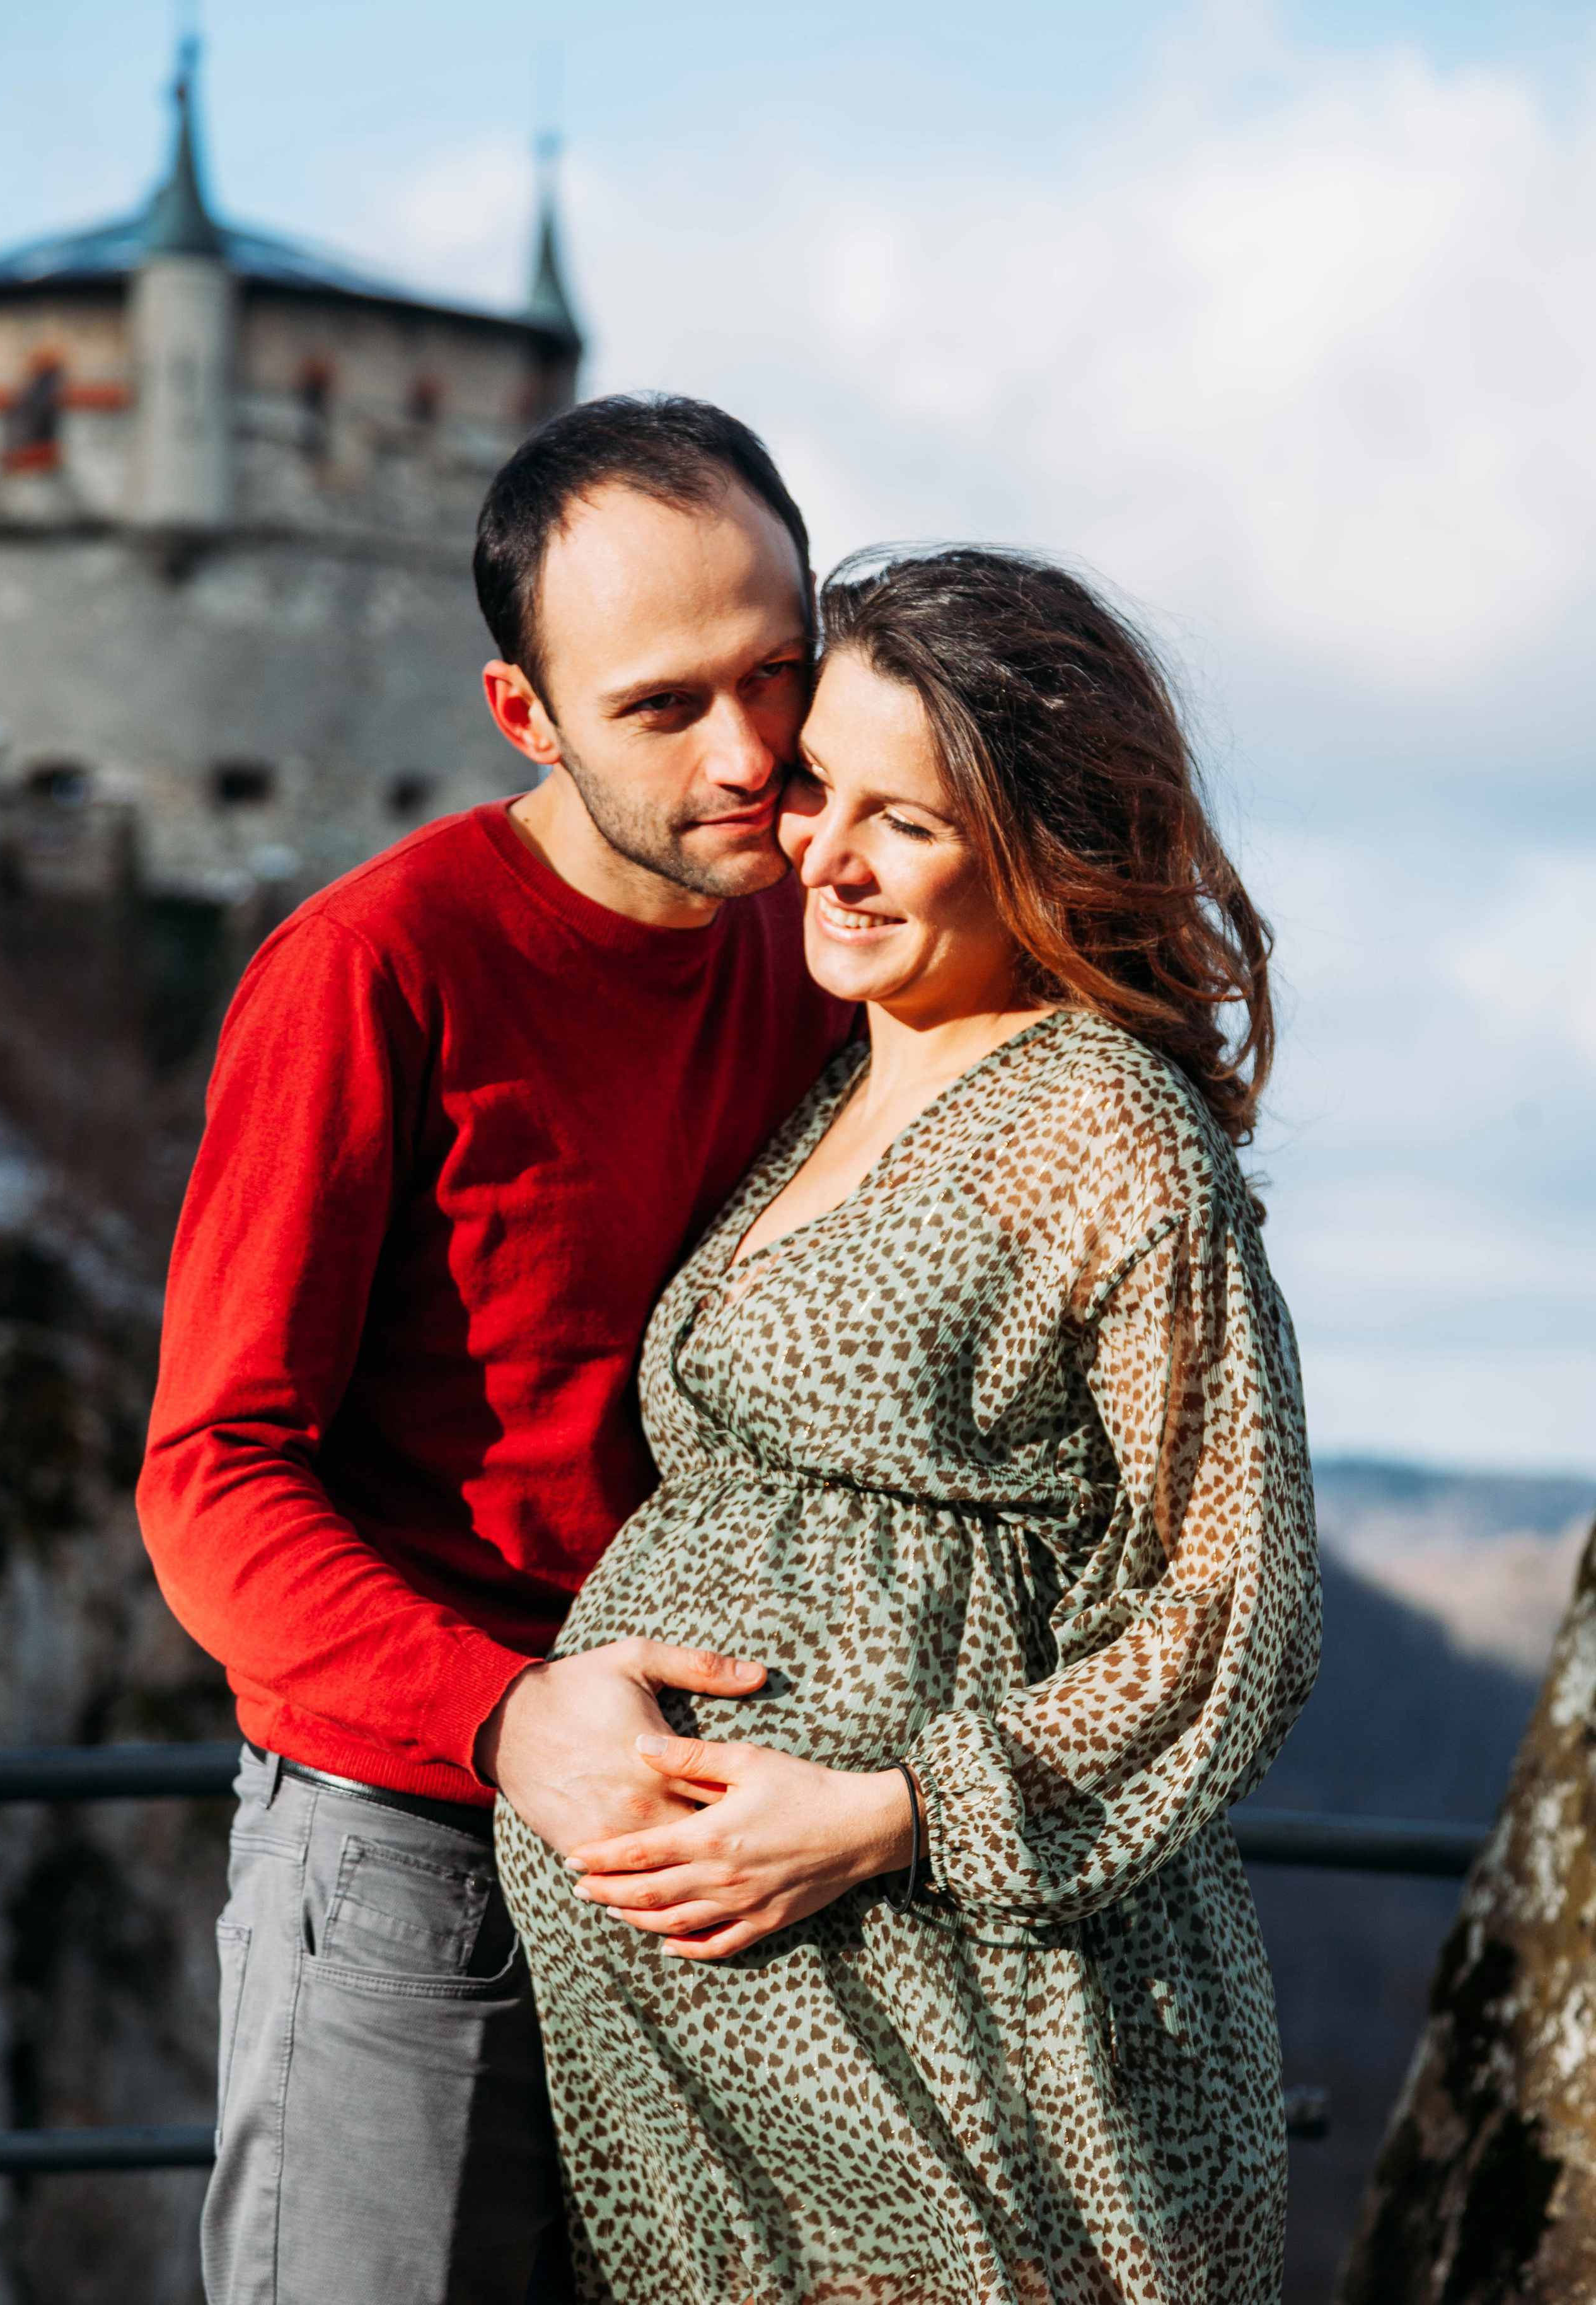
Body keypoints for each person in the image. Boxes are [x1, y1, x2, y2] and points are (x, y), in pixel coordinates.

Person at [498, 546, 1322, 2305]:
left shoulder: (1103, 1120)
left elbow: (1236, 1604)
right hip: (716, 2100)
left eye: (910, 826)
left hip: (980, 2037)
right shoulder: (832, 1082)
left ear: (1032, 853)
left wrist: (894, 1814)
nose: (829, 856)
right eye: (818, 790)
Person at [136, 395, 853, 2304]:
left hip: (728, 1855)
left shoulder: (833, 942)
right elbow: (208, 1477)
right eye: (666, 705)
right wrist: (506, 1713)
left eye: (784, 671)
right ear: (524, 715)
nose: (755, 752)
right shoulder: (373, 974)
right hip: (414, 1851)